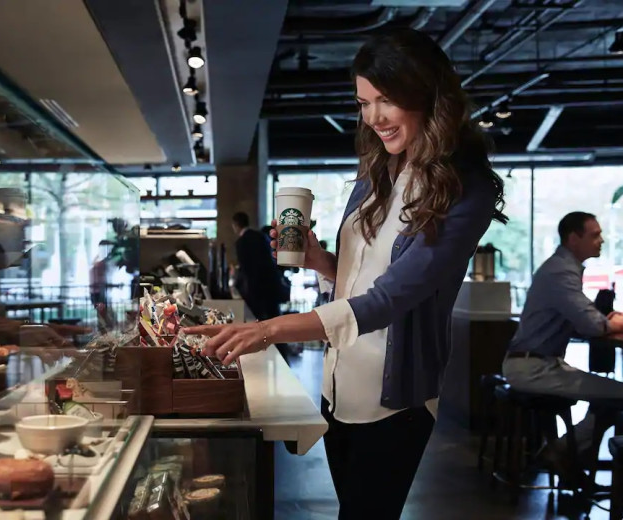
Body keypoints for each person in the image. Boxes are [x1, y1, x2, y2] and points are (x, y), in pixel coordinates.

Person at [186, 27, 507, 520]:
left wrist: (267, 329)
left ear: (425, 92)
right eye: (363, 102)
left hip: (395, 400)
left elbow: (391, 299)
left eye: (386, 100)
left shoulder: (465, 189)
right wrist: (320, 261)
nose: (373, 117)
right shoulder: (376, 173)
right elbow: (360, 280)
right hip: (339, 387)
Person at [503, 212, 623, 486]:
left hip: (536, 363)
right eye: (594, 234)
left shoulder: (560, 269)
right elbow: (591, 324)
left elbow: (584, 321)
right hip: (533, 368)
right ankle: (562, 454)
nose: (601, 240)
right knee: (618, 394)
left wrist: (603, 321)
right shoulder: (560, 271)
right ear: (573, 238)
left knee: (610, 393)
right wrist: (610, 321)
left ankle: (566, 455)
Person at [231, 211, 289, 359]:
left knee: (263, 325)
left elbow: (247, 270)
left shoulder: (241, 242)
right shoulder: (259, 236)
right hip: (272, 286)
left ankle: (270, 355)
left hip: (257, 290)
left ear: (236, 225)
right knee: (276, 322)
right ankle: (283, 356)